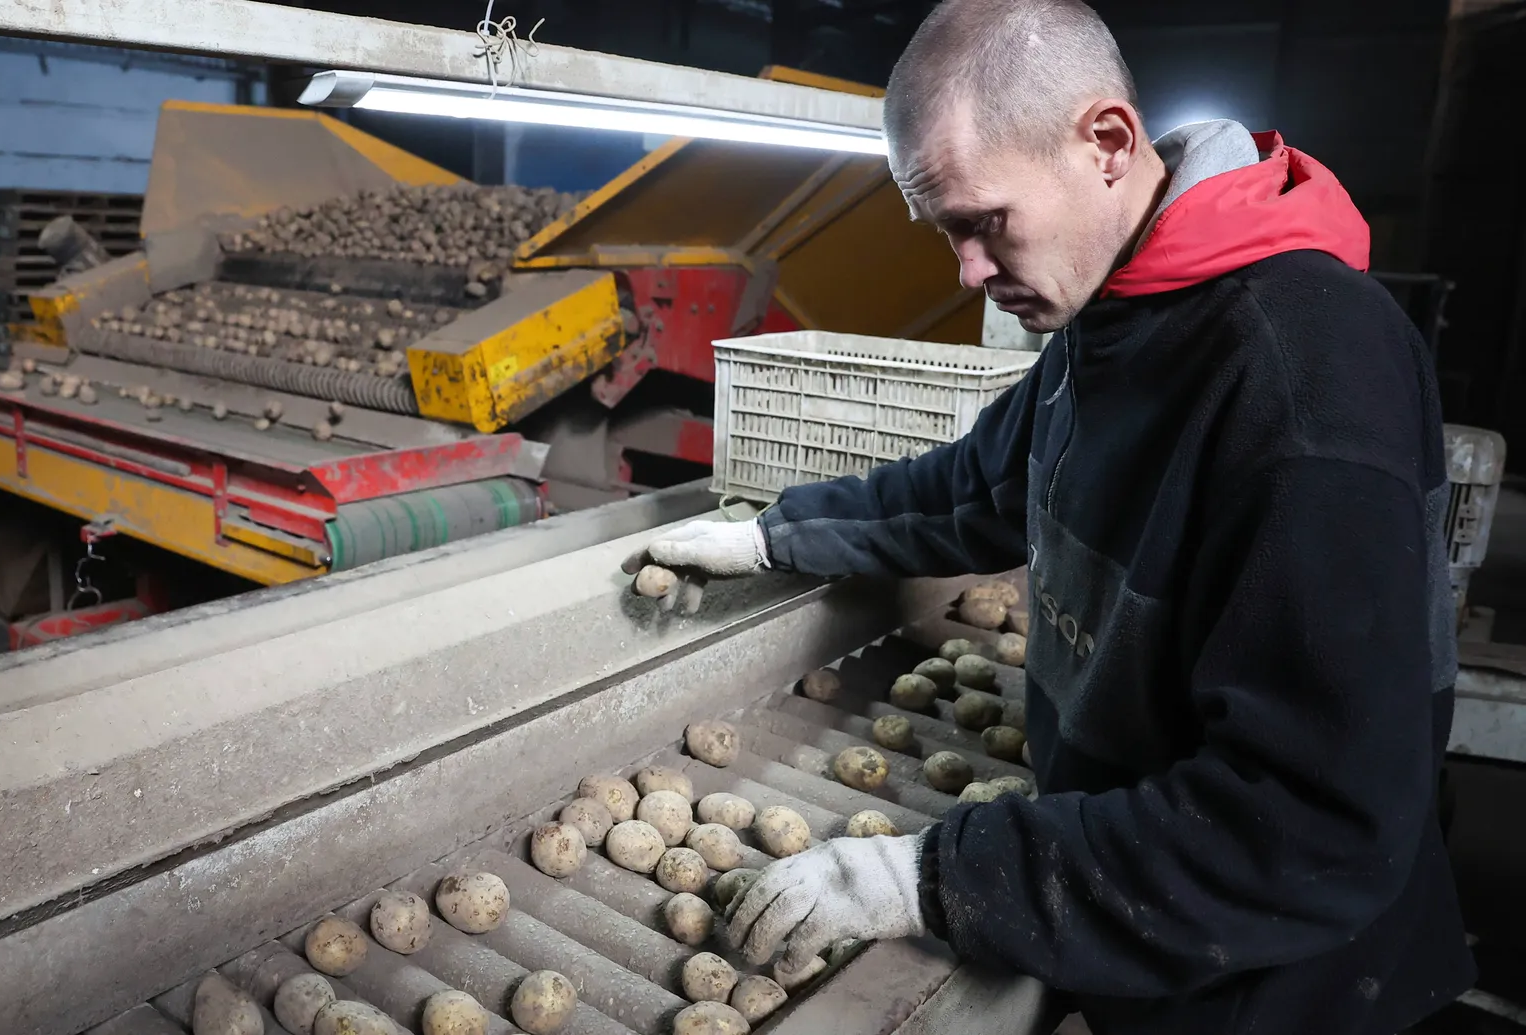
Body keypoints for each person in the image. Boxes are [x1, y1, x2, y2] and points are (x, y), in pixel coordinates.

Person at [622, 1, 1473, 1032]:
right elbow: (981, 490)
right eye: (943, 230)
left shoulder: (1304, 386)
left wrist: (934, 880)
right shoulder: (1116, 309)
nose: (967, 271)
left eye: (982, 221)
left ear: (1106, 144)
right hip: (1135, 900)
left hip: (1278, 986)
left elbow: (1311, 825)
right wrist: (769, 533)